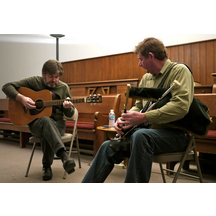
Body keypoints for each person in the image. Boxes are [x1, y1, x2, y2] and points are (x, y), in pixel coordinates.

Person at [82, 37, 194, 183]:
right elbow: (140, 106)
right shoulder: (147, 78)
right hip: (147, 135)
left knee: (141, 136)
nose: (139, 64)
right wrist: (126, 119)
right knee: (107, 147)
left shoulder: (180, 71)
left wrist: (144, 118)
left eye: (141, 59)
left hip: (178, 135)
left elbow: (180, 107)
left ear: (151, 56)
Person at [2, 59, 76, 181]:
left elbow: (71, 113)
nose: (55, 80)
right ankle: (64, 157)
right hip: (37, 124)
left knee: (48, 127)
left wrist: (68, 108)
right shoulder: (34, 82)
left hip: (58, 126)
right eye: (51, 77)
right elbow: (6, 86)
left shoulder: (64, 88)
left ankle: (46, 167)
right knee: (46, 121)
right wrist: (22, 99)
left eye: (57, 77)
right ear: (43, 74)